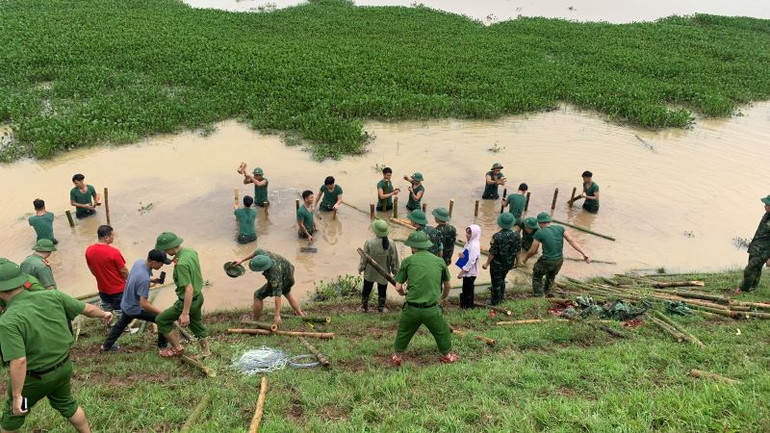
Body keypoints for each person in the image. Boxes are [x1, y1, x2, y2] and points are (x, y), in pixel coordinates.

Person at [0, 258, 112, 433]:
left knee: (14, 415)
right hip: (62, 369)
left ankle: (19, 408)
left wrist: (17, 396)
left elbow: (19, 360)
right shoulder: (53, 296)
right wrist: (104, 314)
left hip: (33, 382)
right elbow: (87, 309)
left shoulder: (9, 320)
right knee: (67, 403)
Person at [390, 231, 457, 366]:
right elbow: (448, 286)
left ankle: (397, 357)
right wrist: (442, 298)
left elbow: (398, 287)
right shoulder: (439, 261)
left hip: (411, 309)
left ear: (413, 247)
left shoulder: (408, 261)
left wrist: (403, 293)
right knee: (442, 332)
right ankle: (447, 356)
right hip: (432, 309)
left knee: (403, 332)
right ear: (427, 245)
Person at [100, 250, 172, 353]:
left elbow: (134, 277)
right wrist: (162, 313)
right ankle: (163, 346)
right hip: (134, 308)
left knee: (120, 325)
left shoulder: (139, 262)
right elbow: (144, 304)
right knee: (161, 320)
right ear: (154, 262)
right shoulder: (144, 280)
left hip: (126, 302)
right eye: (161, 263)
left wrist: (151, 280)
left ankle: (105, 346)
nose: (162, 266)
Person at [154, 232, 209, 358]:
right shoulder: (190, 252)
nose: (165, 252)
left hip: (187, 301)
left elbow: (188, 289)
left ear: (170, 248)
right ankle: (206, 352)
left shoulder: (181, 265)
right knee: (196, 325)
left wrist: (185, 313)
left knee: (161, 320)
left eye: (165, 250)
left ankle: (177, 348)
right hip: (198, 297)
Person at [232, 249, 306, 326]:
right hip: (289, 275)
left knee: (258, 295)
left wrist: (277, 315)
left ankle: (256, 319)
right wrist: (241, 260)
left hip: (282, 277)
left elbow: (277, 296)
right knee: (287, 293)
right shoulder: (263, 254)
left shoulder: (274, 275)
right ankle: (300, 314)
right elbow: (255, 252)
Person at [523, 212, 590, 297]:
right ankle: (547, 292)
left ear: (539, 223)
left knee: (537, 275)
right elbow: (571, 240)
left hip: (547, 261)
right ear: (549, 221)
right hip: (559, 260)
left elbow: (533, 250)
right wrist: (584, 253)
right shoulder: (560, 228)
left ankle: (539, 295)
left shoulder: (539, 233)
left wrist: (525, 258)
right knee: (551, 276)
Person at [358, 219, 400, 312]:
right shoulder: (391, 243)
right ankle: (381, 308)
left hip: (370, 272)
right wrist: (395, 271)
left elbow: (364, 259)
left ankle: (364, 307)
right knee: (382, 291)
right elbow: (394, 260)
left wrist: (361, 268)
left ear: (375, 231)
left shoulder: (369, 242)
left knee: (366, 289)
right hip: (384, 274)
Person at [85, 225, 128, 313]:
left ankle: (108, 321)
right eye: (112, 235)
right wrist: (130, 281)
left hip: (102, 288)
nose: (113, 237)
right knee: (121, 312)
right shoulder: (114, 252)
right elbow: (123, 271)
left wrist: (102, 277)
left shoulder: (89, 250)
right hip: (118, 289)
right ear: (106, 238)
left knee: (107, 311)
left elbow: (92, 269)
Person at [482, 213, 520, 305]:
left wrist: (487, 263)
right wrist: (517, 262)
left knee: (496, 283)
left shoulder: (497, 236)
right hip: (509, 263)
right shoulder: (517, 235)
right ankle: (501, 298)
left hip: (497, 265)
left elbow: (492, 252)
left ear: (500, 223)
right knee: (502, 279)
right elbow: (518, 250)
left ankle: (495, 302)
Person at [736, 195, 770, 293]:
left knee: (749, 269)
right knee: (756, 269)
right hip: (756, 248)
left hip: (764, 251)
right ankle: (752, 287)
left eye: (766, 204)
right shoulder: (767, 215)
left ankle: (742, 289)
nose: (764, 206)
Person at [457, 225, 482, 309]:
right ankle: (467, 306)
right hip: (469, 272)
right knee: (468, 289)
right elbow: (468, 253)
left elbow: (472, 261)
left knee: (467, 290)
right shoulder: (471, 242)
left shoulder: (474, 245)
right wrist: (461, 253)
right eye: (467, 232)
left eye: (469, 233)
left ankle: (467, 307)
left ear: (475, 234)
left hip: (470, 273)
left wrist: (462, 272)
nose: (467, 235)